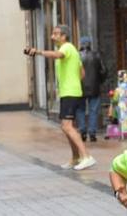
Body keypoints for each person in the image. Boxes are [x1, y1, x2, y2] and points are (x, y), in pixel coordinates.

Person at [25, 25, 93, 170]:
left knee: (67, 126)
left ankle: (86, 156)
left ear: (64, 36)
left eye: (56, 34)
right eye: (53, 34)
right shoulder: (72, 50)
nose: (52, 36)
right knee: (66, 127)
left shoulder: (67, 47)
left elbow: (58, 55)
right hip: (69, 92)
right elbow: (82, 73)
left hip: (70, 92)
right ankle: (76, 158)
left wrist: (37, 52)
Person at [78, 36, 105, 143]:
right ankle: (92, 133)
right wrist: (99, 81)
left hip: (79, 88)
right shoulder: (96, 55)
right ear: (89, 44)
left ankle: (83, 131)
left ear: (81, 44)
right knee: (93, 110)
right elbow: (104, 71)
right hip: (94, 88)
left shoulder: (77, 56)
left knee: (80, 110)